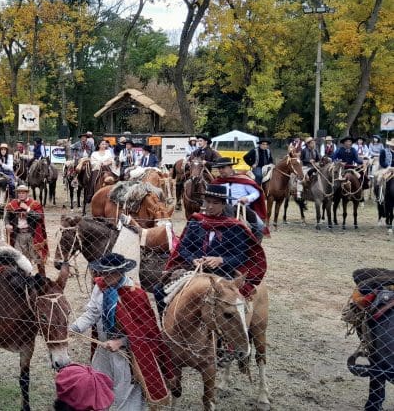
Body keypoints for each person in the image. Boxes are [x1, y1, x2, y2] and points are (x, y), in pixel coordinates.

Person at [70, 252, 174, 410]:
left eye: (109, 273)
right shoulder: (100, 288)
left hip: (128, 354)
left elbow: (146, 330)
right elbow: (91, 313)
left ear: (120, 272)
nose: (104, 277)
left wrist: (121, 342)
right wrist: (74, 328)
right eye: (102, 272)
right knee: (98, 385)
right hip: (103, 349)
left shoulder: (135, 294)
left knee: (125, 394)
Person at [154, 184, 267, 313]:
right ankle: (168, 326)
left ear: (224, 205)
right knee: (159, 291)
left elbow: (241, 256)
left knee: (234, 305)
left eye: (215, 203)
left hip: (223, 273)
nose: (210, 206)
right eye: (207, 202)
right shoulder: (195, 222)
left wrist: (221, 260)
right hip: (193, 271)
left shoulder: (235, 227)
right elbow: (183, 248)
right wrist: (194, 260)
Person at [211, 157, 267, 241]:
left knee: (260, 226)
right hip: (223, 209)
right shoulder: (217, 182)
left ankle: (255, 245)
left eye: (223, 168)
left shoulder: (243, 179)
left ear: (230, 167)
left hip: (242, 208)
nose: (221, 170)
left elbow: (256, 192)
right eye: (219, 168)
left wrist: (247, 198)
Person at [5, 185, 48, 270]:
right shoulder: (12, 204)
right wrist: (7, 224)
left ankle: (42, 278)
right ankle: (23, 278)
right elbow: (7, 217)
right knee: (19, 259)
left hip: (32, 235)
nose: (21, 195)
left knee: (38, 258)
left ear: (27, 193)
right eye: (19, 193)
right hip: (18, 235)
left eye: (23, 193)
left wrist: (27, 209)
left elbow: (39, 217)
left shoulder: (35, 204)